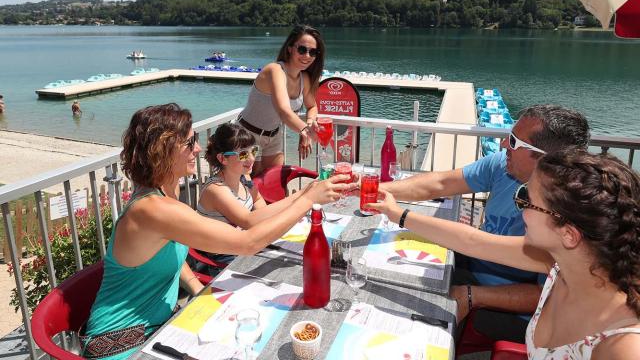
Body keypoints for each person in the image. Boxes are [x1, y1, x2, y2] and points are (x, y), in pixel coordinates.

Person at [82, 103, 353, 360]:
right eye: (189, 143)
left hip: (161, 325)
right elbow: (248, 242)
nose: (198, 149)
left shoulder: (164, 193)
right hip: (124, 342)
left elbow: (169, 250)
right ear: (162, 150)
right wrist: (306, 200)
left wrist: (197, 287)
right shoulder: (153, 209)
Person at [369, 149, 640, 359]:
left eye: (528, 200)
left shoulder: (623, 345)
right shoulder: (558, 265)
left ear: (569, 234)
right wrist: (397, 214)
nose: (519, 206)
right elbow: (474, 242)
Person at [382, 104, 590, 342]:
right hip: (475, 265)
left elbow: (548, 296)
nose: (503, 145)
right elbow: (442, 184)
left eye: (513, 141)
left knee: (413, 321)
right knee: (401, 269)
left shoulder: (566, 219)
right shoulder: (504, 165)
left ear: (546, 159)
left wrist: (473, 295)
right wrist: (379, 190)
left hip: (518, 312)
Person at [195, 123, 315, 276]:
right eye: (243, 154)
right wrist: (302, 196)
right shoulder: (216, 189)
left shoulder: (243, 178)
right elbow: (248, 220)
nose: (251, 158)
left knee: (300, 261)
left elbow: (257, 200)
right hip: (222, 259)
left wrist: (278, 217)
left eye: (254, 150)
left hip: (242, 247)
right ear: (223, 158)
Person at [237, 25, 325, 174]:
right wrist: (304, 130)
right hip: (247, 137)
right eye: (302, 49)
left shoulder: (304, 78)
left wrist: (308, 125)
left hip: (274, 137)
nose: (307, 56)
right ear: (290, 48)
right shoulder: (275, 70)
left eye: (313, 52)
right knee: (248, 184)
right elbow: (284, 110)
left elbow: (312, 107)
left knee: (275, 182)